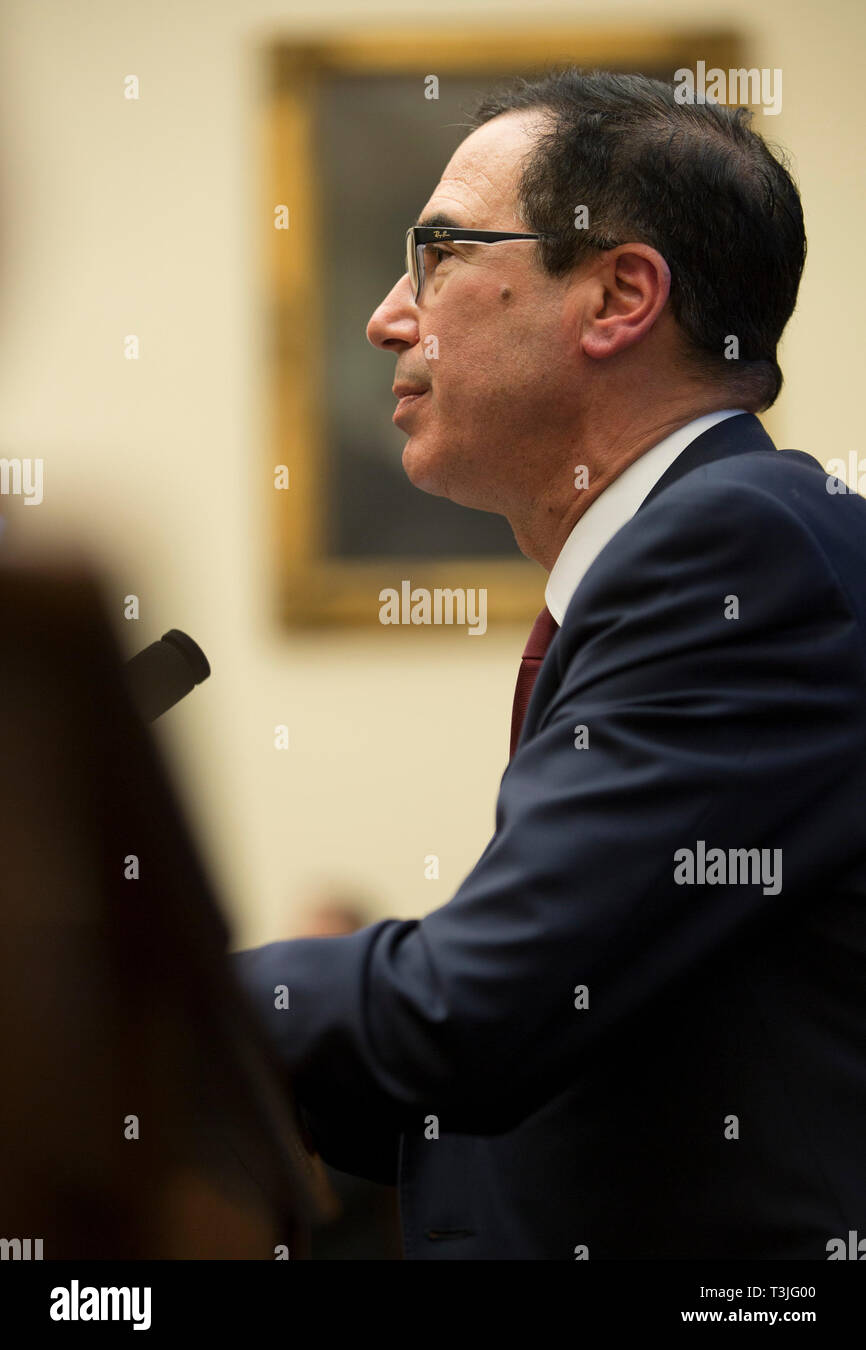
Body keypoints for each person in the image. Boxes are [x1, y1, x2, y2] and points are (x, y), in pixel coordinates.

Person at [233, 70, 866, 1259]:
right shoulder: (703, 551)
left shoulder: (742, 549)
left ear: (619, 295)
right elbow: (575, 1028)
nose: (386, 316)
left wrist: (149, 999)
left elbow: (475, 1012)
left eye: (437, 256)